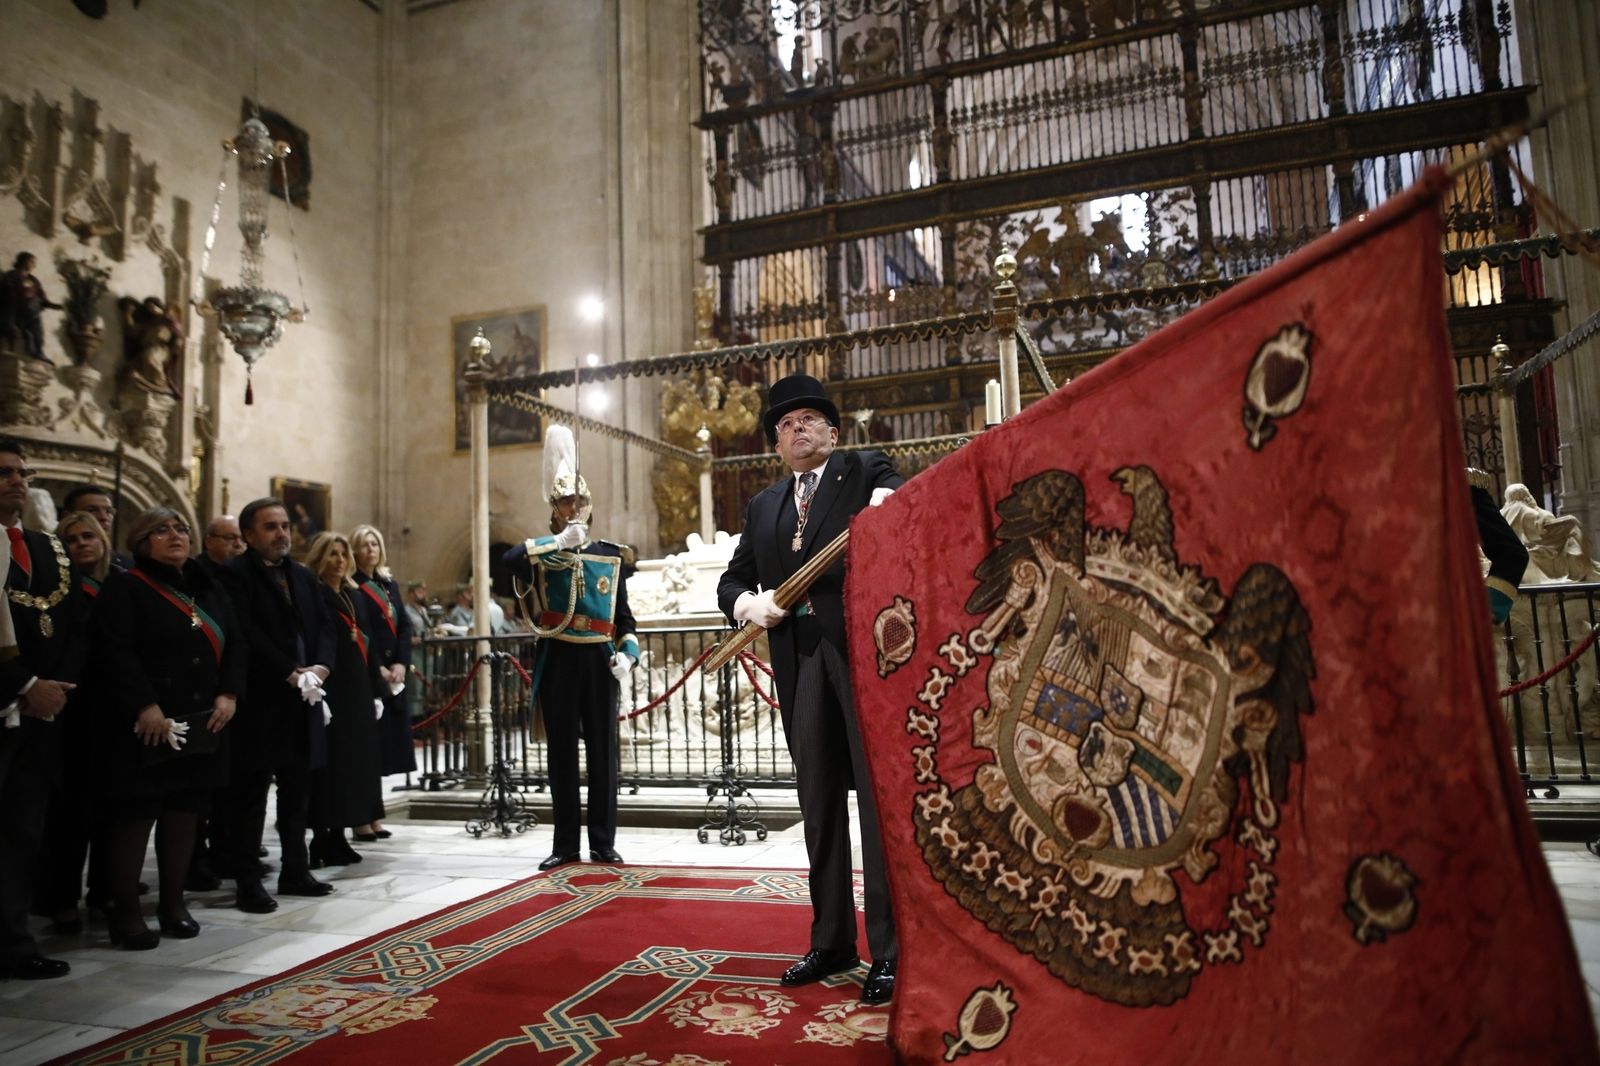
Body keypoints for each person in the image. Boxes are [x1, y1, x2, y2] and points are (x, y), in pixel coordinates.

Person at [715, 373, 901, 1006]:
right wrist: (748, 603)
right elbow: (730, 581)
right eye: (785, 425)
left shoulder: (861, 468)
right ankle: (831, 940)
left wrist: (887, 507)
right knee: (818, 805)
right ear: (776, 445)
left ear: (832, 430)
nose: (796, 429)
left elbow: (903, 493)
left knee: (876, 810)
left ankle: (891, 950)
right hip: (798, 664)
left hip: (857, 658)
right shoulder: (765, 506)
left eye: (807, 420)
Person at [90, 507, 241, 949]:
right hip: (146, 723)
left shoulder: (207, 586)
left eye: (180, 529)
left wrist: (229, 694)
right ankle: (126, 910)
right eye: (161, 530)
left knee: (184, 813)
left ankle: (173, 903)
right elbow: (114, 651)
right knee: (135, 817)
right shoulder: (126, 587)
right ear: (141, 541)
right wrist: (143, 705)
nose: (174, 535)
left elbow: (236, 645)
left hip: (201, 719)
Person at [503, 425, 639, 871]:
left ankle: (602, 841)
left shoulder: (611, 554)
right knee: (561, 754)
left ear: (589, 505)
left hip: (599, 659)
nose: (573, 508)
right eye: (565, 502)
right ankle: (565, 845)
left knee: (602, 755)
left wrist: (628, 656)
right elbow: (505, 566)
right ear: (555, 509)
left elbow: (625, 620)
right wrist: (554, 545)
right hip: (559, 654)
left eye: (579, 501)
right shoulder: (544, 551)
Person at [217, 497, 336, 913]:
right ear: (248, 536)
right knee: (250, 796)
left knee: (297, 789)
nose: (282, 533)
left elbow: (323, 624)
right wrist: (287, 669)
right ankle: (248, 880)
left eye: (284, 525)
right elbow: (242, 631)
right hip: (261, 698)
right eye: (270, 527)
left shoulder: (302, 576)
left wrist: (321, 667)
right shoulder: (234, 575)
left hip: (304, 696)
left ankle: (295, 869)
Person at [0, 436, 84, 980]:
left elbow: (73, 622)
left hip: (44, 708)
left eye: (21, 472)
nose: (16, 480)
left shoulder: (45, 546)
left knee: (22, 831)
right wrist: (25, 683)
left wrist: (55, 685)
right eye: (4, 472)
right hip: (8, 700)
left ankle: (13, 940)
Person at [32, 510, 117, 933]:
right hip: (75, 712)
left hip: (116, 710)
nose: (83, 543)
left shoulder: (117, 584)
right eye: (71, 538)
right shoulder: (59, 590)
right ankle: (61, 898)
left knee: (112, 812)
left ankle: (106, 893)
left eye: (89, 536)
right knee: (71, 815)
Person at [304, 532, 384, 868]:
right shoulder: (314, 595)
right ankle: (322, 838)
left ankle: (338, 836)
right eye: (332, 554)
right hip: (332, 688)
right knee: (331, 768)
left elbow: (370, 643)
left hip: (357, 689)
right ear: (320, 558)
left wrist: (376, 690)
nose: (338, 560)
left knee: (353, 766)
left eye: (342, 554)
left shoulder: (354, 595)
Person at [350, 524, 415, 833]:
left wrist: (402, 662)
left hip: (394, 675)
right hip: (369, 673)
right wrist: (378, 667)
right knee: (366, 749)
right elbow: (362, 633)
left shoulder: (389, 585)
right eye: (365, 545)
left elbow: (404, 627)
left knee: (383, 750)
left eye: (375, 544)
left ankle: (374, 816)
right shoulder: (353, 587)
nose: (371, 550)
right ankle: (361, 819)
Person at [0, 252, 61, 362]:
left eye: (34, 263)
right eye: (31, 261)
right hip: (13, 311)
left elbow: (42, 299)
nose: (34, 265)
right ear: (22, 261)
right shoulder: (11, 275)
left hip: (32, 314)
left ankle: (38, 352)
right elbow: (6, 293)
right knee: (10, 326)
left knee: (37, 331)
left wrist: (57, 306)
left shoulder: (34, 280)